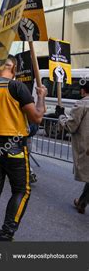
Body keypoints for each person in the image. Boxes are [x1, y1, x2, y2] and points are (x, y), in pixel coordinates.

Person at [0, 55, 47, 241]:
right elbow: (37, 117)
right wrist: (41, 98)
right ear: (14, 68)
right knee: (22, 190)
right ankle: (6, 234)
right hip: (13, 147)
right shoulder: (16, 87)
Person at [59, 80, 89, 214]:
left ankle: (82, 202)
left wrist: (60, 116)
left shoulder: (82, 104)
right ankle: (82, 202)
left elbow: (71, 126)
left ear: (83, 90)